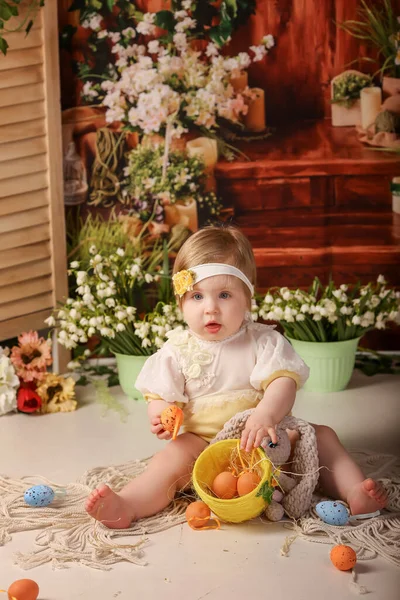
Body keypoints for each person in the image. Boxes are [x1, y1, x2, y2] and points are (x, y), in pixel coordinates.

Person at [85, 226, 387, 528]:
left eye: (225, 295)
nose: (210, 309)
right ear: (181, 302)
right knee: (170, 459)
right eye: (197, 296)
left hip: (265, 442)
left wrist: (266, 413)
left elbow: (284, 383)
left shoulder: (262, 341)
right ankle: (128, 504)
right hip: (204, 446)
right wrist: (161, 413)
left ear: (247, 298)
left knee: (322, 437)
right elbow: (159, 394)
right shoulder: (177, 349)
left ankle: (354, 491)